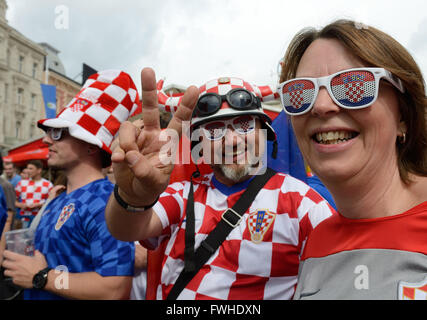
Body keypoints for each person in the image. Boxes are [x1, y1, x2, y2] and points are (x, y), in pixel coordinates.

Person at [105, 68, 335, 300]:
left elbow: (340, 274)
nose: (233, 141)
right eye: (214, 130)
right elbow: (127, 229)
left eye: (244, 125)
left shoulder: (301, 201)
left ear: (264, 132)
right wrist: (133, 196)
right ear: (199, 145)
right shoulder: (183, 195)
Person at [277, 19, 427, 300]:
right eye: (300, 93)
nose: (321, 106)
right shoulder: (316, 243)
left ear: (403, 117)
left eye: (354, 86)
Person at [2, 69, 139, 300]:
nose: (46, 139)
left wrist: (43, 277)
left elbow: (115, 287)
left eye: (58, 133)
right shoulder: (60, 198)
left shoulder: (106, 203)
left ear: (91, 146)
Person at [14, 160, 53, 228]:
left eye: (31, 168)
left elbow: (52, 203)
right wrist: (21, 205)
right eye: (27, 168)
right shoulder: (22, 183)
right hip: (25, 218)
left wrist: (39, 205)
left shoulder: (48, 184)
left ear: (39, 170)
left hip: (41, 219)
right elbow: (13, 201)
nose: (28, 171)